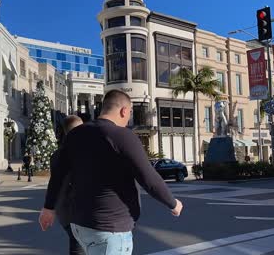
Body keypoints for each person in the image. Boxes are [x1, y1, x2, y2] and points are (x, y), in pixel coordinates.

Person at [40, 90, 183, 255]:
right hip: (109, 229)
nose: (129, 117)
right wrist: (173, 203)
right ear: (123, 111)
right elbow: (149, 178)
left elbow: (58, 175)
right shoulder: (122, 136)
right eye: (129, 112)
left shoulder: (75, 135)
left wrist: (48, 208)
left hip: (80, 226)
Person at [49, 115, 84, 255]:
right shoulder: (77, 152)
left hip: (64, 211)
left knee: (77, 245)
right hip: (76, 212)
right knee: (79, 248)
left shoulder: (57, 154)